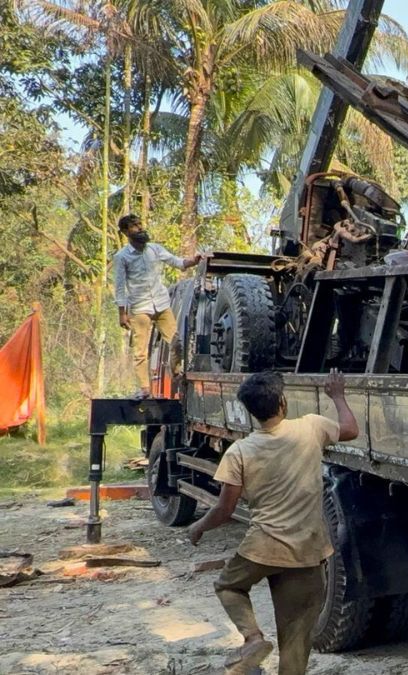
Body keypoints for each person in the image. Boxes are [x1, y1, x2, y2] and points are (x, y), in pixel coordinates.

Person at [188, 370, 359, 675]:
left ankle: (253, 638)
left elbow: (224, 510)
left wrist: (198, 526)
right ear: (282, 402)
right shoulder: (310, 428)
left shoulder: (239, 451)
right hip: (307, 551)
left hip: (262, 549)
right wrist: (338, 396)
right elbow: (350, 428)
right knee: (295, 641)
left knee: (228, 586)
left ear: (250, 412)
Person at [112, 214, 202, 398]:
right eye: (135, 226)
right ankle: (144, 388)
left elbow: (176, 262)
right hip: (139, 307)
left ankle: (176, 374)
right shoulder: (122, 257)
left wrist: (193, 260)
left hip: (161, 304)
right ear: (126, 232)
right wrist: (122, 313)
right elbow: (120, 286)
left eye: (140, 224)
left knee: (176, 341)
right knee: (140, 351)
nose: (140, 228)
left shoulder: (154, 249)